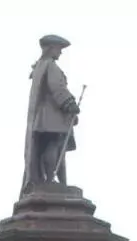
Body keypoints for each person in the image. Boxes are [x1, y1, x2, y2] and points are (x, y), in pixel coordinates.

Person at [21, 34, 80, 192]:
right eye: (59, 49)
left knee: (53, 147)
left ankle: (56, 182)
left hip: (43, 116)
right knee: (53, 145)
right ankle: (50, 181)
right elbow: (57, 88)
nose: (60, 53)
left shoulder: (40, 67)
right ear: (50, 48)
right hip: (51, 116)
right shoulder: (51, 66)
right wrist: (70, 105)